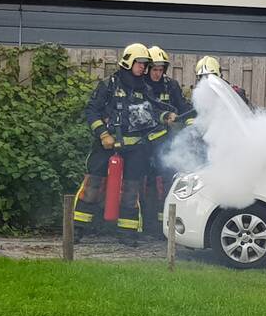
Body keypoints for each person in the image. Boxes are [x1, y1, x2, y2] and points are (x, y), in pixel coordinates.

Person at [72, 42, 161, 246]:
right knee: (93, 185)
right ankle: (77, 228)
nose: (143, 68)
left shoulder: (145, 88)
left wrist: (166, 116)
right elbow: (91, 111)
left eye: (145, 65)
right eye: (140, 64)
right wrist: (103, 134)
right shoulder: (109, 84)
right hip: (106, 146)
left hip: (135, 149)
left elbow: (154, 112)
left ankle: (127, 233)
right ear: (129, 62)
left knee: (131, 190)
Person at [142, 45, 192, 237]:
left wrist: (191, 123)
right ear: (147, 69)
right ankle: (148, 223)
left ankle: (166, 225)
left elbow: (182, 106)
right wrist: (164, 116)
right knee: (147, 184)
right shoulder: (141, 87)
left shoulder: (171, 85)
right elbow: (143, 111)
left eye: (161, 69)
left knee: (168, 180)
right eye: (154, 69)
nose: (157, 73)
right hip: (145, 144)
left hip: (168, 144)